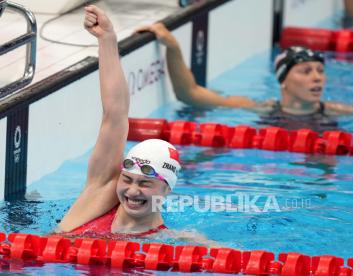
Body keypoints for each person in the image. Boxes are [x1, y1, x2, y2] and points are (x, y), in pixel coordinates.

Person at [57, 6, 219, 246]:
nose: (132, 191)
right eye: (128, 179)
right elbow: (115, 114)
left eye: (145, 183)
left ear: (166, 190)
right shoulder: (101, 193)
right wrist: (107, 38)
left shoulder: (171, 242)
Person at [137, 23, 353, 133]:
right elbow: (190, 94)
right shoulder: (259, 107)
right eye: (306, 71)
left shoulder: (339, 112)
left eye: (320, 71)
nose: (317, 78)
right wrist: (173, 47)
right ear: (283, 80)